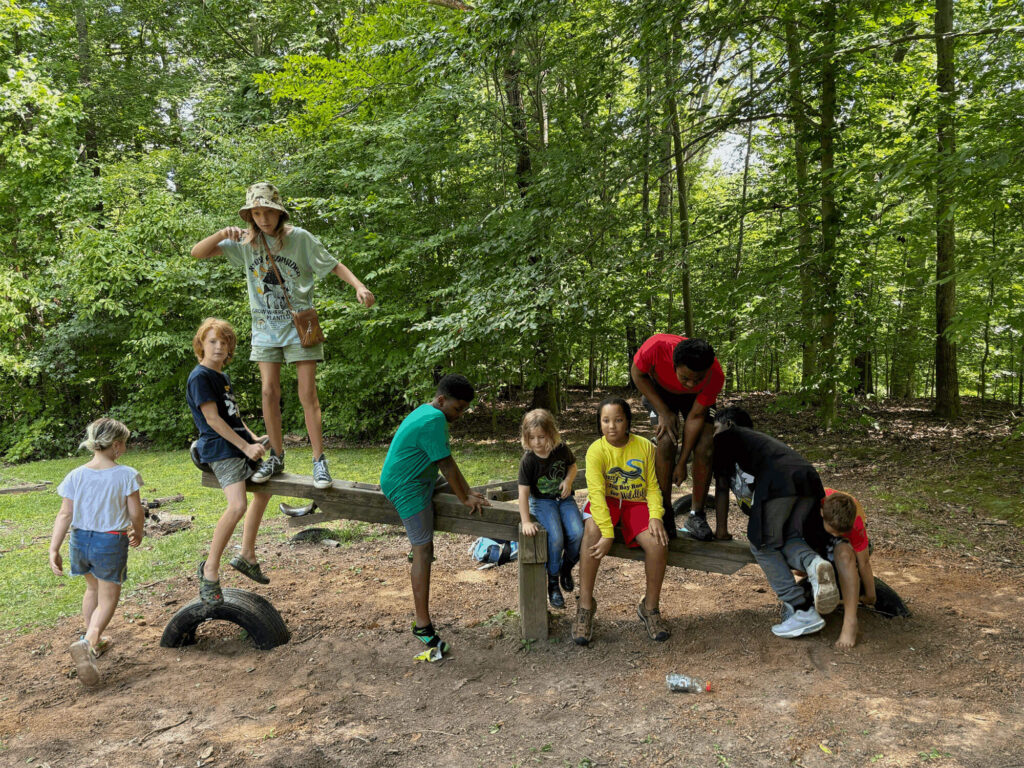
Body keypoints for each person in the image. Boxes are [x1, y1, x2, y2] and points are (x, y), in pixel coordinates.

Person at [191, 182, 375, 490]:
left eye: (268, 212)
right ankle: (276, 456)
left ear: (280, 213)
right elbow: (198, 253)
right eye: (257, 213)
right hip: (264, 330)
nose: (263, 219)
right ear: (250, 215)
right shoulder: (247, 242)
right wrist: (223, 233)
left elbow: (333, 265)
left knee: (307, 394)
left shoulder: (299, 239)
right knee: (268, 393)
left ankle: (319, 461)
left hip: (299, 329)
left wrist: (359, 286)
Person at [380, 374, 490, 657]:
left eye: (464, 410)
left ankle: (421, 614)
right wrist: (464, 496)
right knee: (423, 549)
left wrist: (467, 492)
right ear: (442, 400)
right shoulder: (434, 420)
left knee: (428, 540)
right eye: (458, 409)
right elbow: (446, 465)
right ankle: (422, 625)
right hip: (407, 485)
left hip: (419, 476)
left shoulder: (428, 411)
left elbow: (447, 464)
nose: (460, 415)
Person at [711, 408, 839, 638]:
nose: (712, 435)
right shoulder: (758, 444)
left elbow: (720, 487)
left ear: (728, 424)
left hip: (780, 481)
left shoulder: (726, 437)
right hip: (807, 477)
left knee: (762, 545)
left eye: (714, 428)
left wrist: (721, 530)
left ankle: (800, 609)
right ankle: (815, 564)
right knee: (786, 538)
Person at [49, 418, 144, 686]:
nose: (124, 449)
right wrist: (139, 530)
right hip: (109, 541)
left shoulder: (76, 475)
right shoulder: (127, 474)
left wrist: (53, 547)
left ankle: (97, 640)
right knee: (109, 595)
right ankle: (89, 641)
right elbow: (136, 511)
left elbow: (65, 513)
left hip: (80, 540)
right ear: (115, 445)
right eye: (124, 444)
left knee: (92, 589)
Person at [186, 318, 273, 606]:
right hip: (220, 450)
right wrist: (245, 447)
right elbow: (212, 420)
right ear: (201, 345)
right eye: (212, 341)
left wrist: (253, 438)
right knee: (237, 505)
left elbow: (233, 417)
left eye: (224, 342)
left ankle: (246, 554)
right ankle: (210, 570)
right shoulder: (200, 377)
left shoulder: (222, 378)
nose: (219, 346)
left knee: (267, 485)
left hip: (237, 445)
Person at [573, 397, 670, 646]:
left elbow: (652, 486)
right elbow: (595, 493)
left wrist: (656, 516)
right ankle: (585, 606)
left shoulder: (645, 447)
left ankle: (650, 608)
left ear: (627, 422)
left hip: (636, 503)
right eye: (606, 420)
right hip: (605, 499)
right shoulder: (596, 450)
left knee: (658, 543)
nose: (612, 426)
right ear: (600, 423)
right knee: (592, 530)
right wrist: (607, 533)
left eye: (618, 420)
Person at [631, 335, 725, 541]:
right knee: (665, 440)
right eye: (685, 378)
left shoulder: (715, 374)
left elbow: (695, 416)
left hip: (695, 404)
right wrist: (663, 411)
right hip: (660, 392)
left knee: (706, 445)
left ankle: (696, 515)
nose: (691, 384)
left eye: (697, 379)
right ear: (674, 365)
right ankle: (663, 512)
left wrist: (682, 462)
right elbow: (637, 374)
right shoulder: (656, 347)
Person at [517, 408, 583, 609]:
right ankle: (553, 582)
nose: (537, 442)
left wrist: (568, 481)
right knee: (555, 538)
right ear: (526, 437)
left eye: (541, 437)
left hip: (564, 500)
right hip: (542, 502)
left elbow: (573, 466)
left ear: (551, 434)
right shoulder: (528, 461)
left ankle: (566, 568)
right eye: (532, 438)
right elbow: (523, 494)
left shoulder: (561, 449)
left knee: (578, 533)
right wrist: (526, 521)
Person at [821, 489, 876, 649]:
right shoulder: (814, 503)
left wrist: (870, 594)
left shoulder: (855, 524)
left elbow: (864, 562)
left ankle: (850, 621)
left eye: (841, 532)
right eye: (834, 531)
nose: (837, 534)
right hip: (816, 533)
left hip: (845, 545)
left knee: (845, 553)